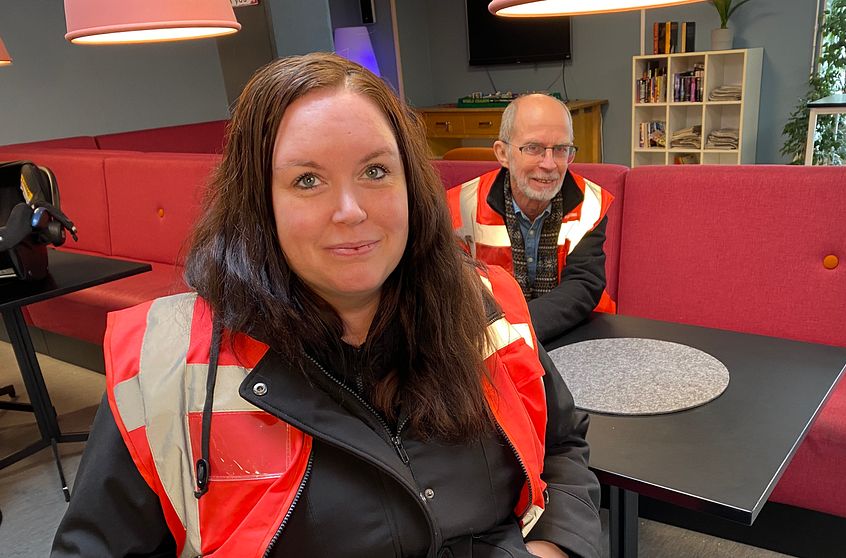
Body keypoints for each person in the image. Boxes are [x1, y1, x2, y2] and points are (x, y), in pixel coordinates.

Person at [51, 53, 601, 558]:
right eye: (308, 180)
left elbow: (563, 444)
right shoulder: (164, 368)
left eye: (375, 171)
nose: (350, 211)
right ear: (257, 201)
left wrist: (555, 547)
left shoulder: (486, 304)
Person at [446, 94, 615, 344]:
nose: (549, 164)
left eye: (560, 149)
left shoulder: (590, 202)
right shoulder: (457, 206)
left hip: (576, 332)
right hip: (489, 339)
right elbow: (456, 290)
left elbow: (582, 286)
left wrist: (517, 331)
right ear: (502, 153)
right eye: (533, 148)